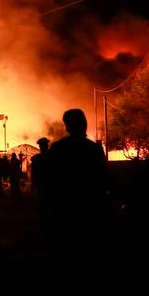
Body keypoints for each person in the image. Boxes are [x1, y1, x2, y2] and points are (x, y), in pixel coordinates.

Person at [44, 109, 108, 258]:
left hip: (65, 211)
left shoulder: (58, 149)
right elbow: (103, 179)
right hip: (89, 210)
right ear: (84, 124)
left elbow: (50, 181)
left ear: (67, 126)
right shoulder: (94, 149)